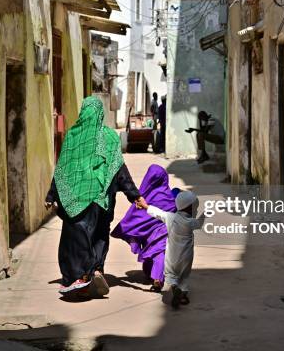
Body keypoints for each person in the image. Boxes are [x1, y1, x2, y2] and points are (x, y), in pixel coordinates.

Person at [46, 96, 147, 297]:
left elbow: (62, 169)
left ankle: (81, 276)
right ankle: (96, 269)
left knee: (77, 238)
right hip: (103, 199)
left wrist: (52, 195)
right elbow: (120, 170)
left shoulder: (73, 135)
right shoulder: (109, 137)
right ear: (101, 114)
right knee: (100, 234)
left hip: (76, 199)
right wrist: (134, 196)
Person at [111, 164, 175, 292]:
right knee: (159, 253)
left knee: (151, 252)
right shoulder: (169, 197)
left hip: (148, 234)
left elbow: (135, 217)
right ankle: (157, 276)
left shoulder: (143, 198)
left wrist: (125, 226)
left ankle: (154, 275)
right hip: (163, 232)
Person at [143, 190, 204, 309]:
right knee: (184, 276)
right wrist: (206, 213)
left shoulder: (170, 217)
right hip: (186, 256)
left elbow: (158, 213)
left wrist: (145, 206)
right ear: (189, 208)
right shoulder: (191, 222)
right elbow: (200, 223)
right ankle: (182, 292)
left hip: (172, 256)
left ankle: (175, 287)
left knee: (171, 275)